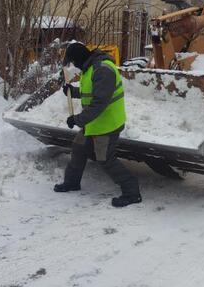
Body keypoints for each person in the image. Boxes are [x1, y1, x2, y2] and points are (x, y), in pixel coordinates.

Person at [55, 42, 142, 207]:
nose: (74, 66)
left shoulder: (102, 69)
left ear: (79, 58)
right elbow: (91, 91)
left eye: (73, 62)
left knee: (105, 159)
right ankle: (72, 182)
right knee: (79, 148)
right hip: (94, 123)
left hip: (107, 125)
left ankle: (132, 192)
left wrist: (77, 119)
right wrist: (72, 92)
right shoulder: (91, 68)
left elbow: (99, 102)